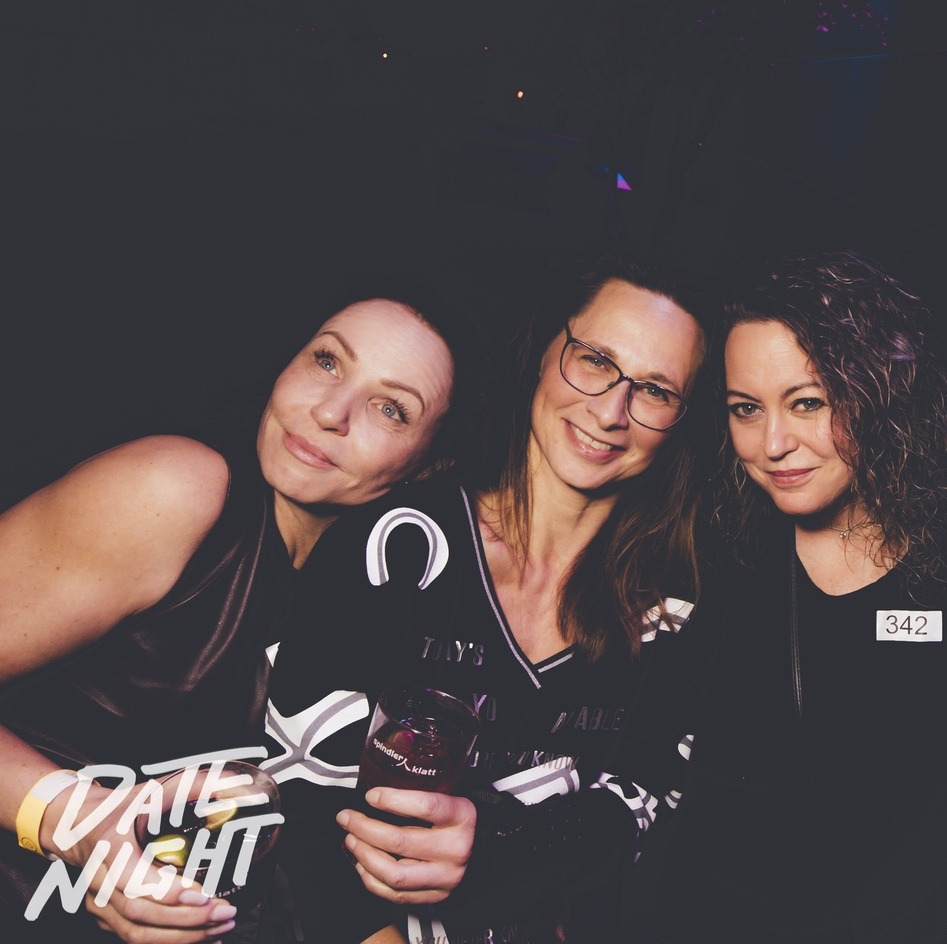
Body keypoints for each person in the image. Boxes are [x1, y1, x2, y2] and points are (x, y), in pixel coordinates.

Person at [0, 281, 485, 944]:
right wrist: (62, 814)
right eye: (327, 360)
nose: (330, 412)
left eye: (391, 409)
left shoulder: (377, 598)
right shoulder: (176, 487)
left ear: (429, 464)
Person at [254, 252, 714, 944]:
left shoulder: (672, 614)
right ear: (545, 352)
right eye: (594, 360)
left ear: (683, 421)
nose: (609, 411)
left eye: (655, 391)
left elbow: (639, 812)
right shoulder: (398, 546)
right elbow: (304, 813)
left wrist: (502, 847)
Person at [625, 250, 947, 944]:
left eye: (807, 402)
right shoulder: (714, 555)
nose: (772, 443)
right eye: (746, 409)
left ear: (879, 393)